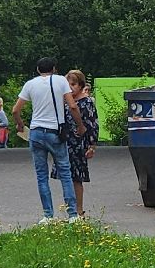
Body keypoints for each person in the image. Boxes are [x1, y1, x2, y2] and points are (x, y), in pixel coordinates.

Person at [12, 57, 82, 222]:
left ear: (37, 70)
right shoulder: (60, 81)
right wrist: (80, 125)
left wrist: (20, 125)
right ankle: (72, 215)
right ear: (55, 69)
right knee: (65, 173)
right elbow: (72, 106)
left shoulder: (30, 84)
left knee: (41, 175)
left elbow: (15, 110)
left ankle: (48, 216)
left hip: (36, 132)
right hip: (55, 132)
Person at [63, 70, 99, 218]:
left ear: (81, 85)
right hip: (66, 142)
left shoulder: (87, 101)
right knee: (66, 176)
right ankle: (70, 210)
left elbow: (92, 123)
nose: (71, 87)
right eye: (68, 84)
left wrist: (92, 145)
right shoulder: (66, 101)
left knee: (76, 177)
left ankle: (79, 210)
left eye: (74, 84)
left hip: (79, 142)